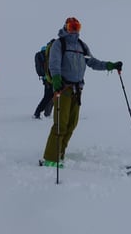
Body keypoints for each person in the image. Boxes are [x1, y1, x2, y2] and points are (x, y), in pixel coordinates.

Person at [40, 17, 123, 168]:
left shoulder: (82, 46)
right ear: (66, 27)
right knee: (61, 124)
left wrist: (110, 65)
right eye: (71, 26)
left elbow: (93, 62)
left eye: (77, 26)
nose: (74, 30)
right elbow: (54, 63)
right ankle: (51, 158)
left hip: (77, 90)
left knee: (72, 124)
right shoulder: (59, 44)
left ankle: (60, 153)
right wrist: (56, 79)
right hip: (63, 89)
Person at [34, 45, 54, 119]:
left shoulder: (42, 55)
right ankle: (38, 112)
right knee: (48, 96)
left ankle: (44, 113)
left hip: (45, 79)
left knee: (49, 96)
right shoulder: (49, 54)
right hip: (50, 78)